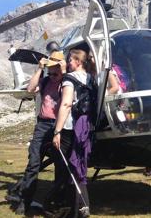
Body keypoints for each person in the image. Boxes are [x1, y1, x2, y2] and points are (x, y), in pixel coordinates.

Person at [6, 50, 66, 214]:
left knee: (61, 165)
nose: (53, 74)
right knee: (33, 163)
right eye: (50, 70)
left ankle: (58, 201)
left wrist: (65, 71)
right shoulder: (45, 81)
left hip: (60, 126)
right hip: (43, 125)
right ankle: (25, 201)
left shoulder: (67, 81)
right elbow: (31, 88)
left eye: (55, 70)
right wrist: (40, 68)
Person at [52, 49, 96, 218]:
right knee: (79, 167)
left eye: (70, 60)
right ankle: (81, 206)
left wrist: (57, 131)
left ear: (78, 62)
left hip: (71, 127)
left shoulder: (70, 80)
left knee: (66, 169)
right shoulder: (91, 79)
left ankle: (68, 208)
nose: (68, 63)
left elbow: (66, 105)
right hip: (86, 127)